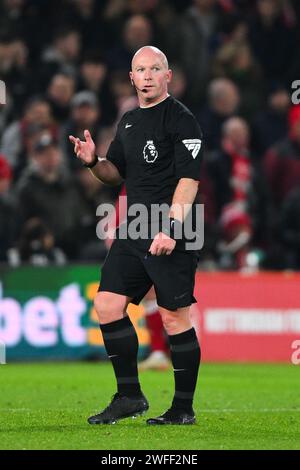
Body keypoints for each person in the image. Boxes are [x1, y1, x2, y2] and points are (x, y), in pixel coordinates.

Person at [69, 46, 203, 425]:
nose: (146, 76)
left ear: (167, 75)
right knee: (108, 304)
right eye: (140, 70)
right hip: (136, 227)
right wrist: (94, 161)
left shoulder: (183, 121)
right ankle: (129, 396)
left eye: (154, 69)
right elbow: (116, 173)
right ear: (131, 78)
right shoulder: (128, 122)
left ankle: (182, 408)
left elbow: (188, 181)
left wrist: (173, 229)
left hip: (174, 227)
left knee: (174, 318)